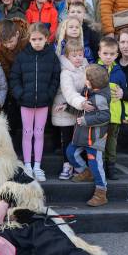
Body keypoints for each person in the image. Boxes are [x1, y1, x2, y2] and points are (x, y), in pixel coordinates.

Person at [0, 108, 105, 255]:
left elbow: (30, 189)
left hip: (10, 221)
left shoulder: (6, 163)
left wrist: (4, 202)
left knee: (46, 236)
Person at [9, 23, 61, 182]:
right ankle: (27, 166)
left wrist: (49, 94)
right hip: (26, 102)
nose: (37, 42)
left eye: (40, 39)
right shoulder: (22, 56)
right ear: (29, 39)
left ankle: (37, 166)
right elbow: (14, 77)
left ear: (46, 39)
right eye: (34, 39)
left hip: (43, 102)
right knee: (27, 133)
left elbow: (55, 77)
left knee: (39, 133)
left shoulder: (51, 56)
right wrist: (20, 94)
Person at [66, 64, 112, 207]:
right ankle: (86, 172)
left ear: (91, 82)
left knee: (96, 164)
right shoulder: (88, 91)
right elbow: (82, 109)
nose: (84, 80)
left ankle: (101, 192)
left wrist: (86, 120)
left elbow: (105, 116)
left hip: (95, 138)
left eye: (86, 78)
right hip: (82, 134)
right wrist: (67, 107)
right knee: (71, 152)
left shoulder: (100, 98)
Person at [52, 39, 89, 180]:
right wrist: (82, 103)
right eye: (74, 55)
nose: (78, 58)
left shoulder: (86, 68)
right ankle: (67, 165)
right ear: (67, 56)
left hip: (79, 109)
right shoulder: (65, 72)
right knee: (67, 140)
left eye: (80, 55)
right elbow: (69, 92)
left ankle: (78, 166)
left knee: (79, 140)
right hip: (65, 110)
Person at [0, 18, 29, 151]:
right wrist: (13, 84)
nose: (8, 45)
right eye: (5, 43)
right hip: (12, 76)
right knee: (11, 107)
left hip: (27, 76)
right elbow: (4, 66)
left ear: (17, 34)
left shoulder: (26, 41)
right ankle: (11, 140)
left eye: (10, 42)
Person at [96, 36, 128, 180]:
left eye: (112, 54)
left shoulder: (119, 73)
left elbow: (124, 97)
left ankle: (111, 168)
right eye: (105, 53)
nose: (108, 57)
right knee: (99, 144)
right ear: (99, 53)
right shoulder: (93, 70)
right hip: (99, 115)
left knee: (111, 144)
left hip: (114, 116)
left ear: (117, 54)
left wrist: (125, 115)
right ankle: (100, 168)